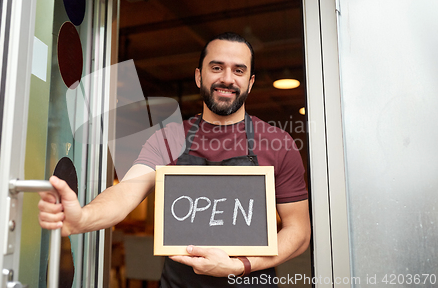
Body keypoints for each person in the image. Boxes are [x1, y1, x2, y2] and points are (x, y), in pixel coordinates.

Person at [38, 32, 310, 287]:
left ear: (250, 82)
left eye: (239, 70)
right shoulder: (168, 138)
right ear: (198, 77)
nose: (227, 78)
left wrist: (240, 265)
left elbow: (298, 232)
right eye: (216, 68)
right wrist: (82, 218)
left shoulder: (278, 143)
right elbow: (125, 193)